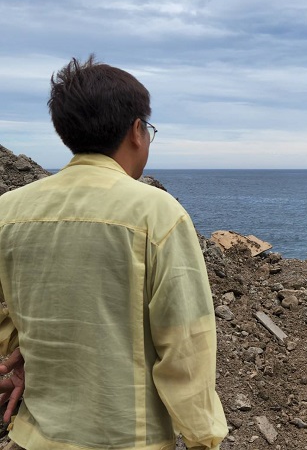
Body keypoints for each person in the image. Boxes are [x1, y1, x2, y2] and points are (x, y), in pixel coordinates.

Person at [0, 56, 227, 449]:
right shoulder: (156, 213)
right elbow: (186, 347)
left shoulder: (9, 211)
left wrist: (16, 352)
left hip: (34, 436)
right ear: (137, 131)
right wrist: (203, 438)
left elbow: (7, 313)